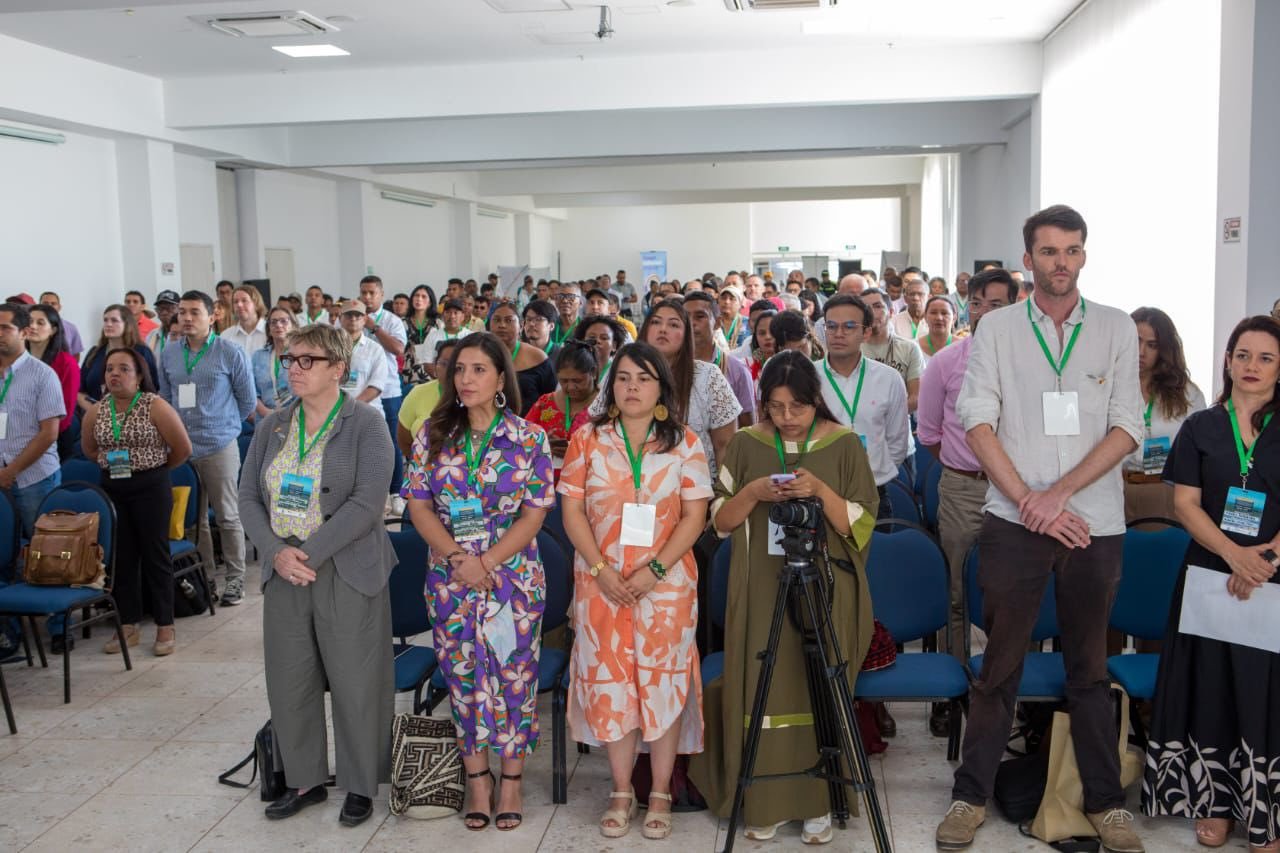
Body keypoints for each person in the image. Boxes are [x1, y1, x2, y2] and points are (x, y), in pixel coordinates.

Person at [939, 205, 1146, 853]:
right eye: (1049, 251)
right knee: (999, 666)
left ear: (1084, 256)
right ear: (1028, 259)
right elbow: (977, 420)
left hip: (1094, 523)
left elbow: (1128, 425)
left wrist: (1057, 494)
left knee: (1089, 668)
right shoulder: (997, 328)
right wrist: (1028, 497)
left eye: (1073, 250)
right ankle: (970, 796)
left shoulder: (1114, 328)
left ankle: (1107, 805)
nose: (1062, 262)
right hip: (1013, 521)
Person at [692, 350, 877, 845]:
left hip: (826, 587)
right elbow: (720, 522)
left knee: (818, 683)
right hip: (759, 586)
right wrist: (752, 494)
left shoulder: (843, 445)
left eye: (797, 407)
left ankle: (820, 801)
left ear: (816, 401)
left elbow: (861, 523)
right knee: (763, 686)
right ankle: (764, 802)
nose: (787, 419)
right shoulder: (747, 445)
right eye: (775, 407)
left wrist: (819, 490)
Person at [239, 322, 395, 828]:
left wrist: (307, 553)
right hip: (284, 570)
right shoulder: (273, 426)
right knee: (290, 678)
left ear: (338, 369)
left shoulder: (366, 423)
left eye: (308, 360)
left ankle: (358, 783)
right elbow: (246, 497)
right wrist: (275, 552)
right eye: (290, 360)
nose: (295, 369)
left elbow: (369, 501)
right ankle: (303, 779)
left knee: (355, 678)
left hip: (346, 567)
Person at [401, 332, 554, 832]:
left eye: (478, 370)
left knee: (514, 678)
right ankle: (478, 779)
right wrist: (456, 557)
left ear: (500, 378)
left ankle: (512, 780)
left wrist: (486, 560)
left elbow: (534, 514)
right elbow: (419, 505)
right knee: (463, 679)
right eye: (459, 370)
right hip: (451, 578)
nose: (465, 379)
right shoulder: (432, 433)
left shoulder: (528, 438)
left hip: (512, 579)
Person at [559, 342, 712, 840]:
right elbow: (572, 512)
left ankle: (662, 790)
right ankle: (622, 789)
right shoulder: (589, 438)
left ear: (661, 388)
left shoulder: (685, 442)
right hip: (601, 583)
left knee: (662, 685)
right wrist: (601, 568)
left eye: (643, 379)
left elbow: (695, 516)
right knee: (614, 685)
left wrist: (657, 570)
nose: (631, 387)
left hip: (665, 588)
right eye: (622, 377)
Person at [1142, 315, 1280, 852]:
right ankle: (1216, 804)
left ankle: (1265, 808)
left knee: (1264, 688)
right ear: (1227, 360)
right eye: (1242, 355)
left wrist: (1262, 559)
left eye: (1266, 357)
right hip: (1209, 572)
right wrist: (1233, 556)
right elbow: (1185, 504)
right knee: (1212, 686)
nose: (1252, 367)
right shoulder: (1201, 425)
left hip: (1272, 573)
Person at [915, 269, 1015, 736]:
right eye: (978, 302)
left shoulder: (1030, 364)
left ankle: (1006, 687)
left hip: (1019, 491)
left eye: (998, 303)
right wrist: (965, 466)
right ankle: (952, 692)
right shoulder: (945, 363)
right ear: (967, 306)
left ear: (1016, 308)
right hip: (962, 487)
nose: (987, 311)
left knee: (1015, 593)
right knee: (956, 592)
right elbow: (930, 434)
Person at [82, 348, 191, 656]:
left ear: (140, 375)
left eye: (124, 369)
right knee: (122, 558)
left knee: (155, 556)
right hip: (113, 488)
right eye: (109, 369)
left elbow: (182, 448)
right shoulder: (97, 409)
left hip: (150, 486)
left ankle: (165, 625)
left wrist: (154, 468)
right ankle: (127, 626)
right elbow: (90, 449)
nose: (114, 374)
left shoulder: (154, 405)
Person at [157, 290, 256, 607]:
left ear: (212, 316)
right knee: (192, 521)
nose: (186, 318)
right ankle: (205, 579)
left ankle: (235, 579)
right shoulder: (170, 353)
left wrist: (224, 426)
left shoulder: (229, 351)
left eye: (194, 312)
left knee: (227, 515)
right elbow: (166, 397)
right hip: (182, 448)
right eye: (182, 312)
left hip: (218, 444)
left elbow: (247, 401)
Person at [816, 294, 911, 521]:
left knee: (875, 556)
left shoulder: (889, 378)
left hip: (873, 493)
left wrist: (873, 473)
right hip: (820, 493)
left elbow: (897, 441)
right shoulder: (808, 376)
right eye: (831, 326)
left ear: (866, 333)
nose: (839, 334)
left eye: (849, 326)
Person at [634, 300, 741, 478]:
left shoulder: (708, 376)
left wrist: (724, 498)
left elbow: (725, 446)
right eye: (655, 322)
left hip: (697, 488)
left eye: (673, 324)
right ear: (645, 330)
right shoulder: (623, 372)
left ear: (686, 335)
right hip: (634, 487)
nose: (663, 329)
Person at [1123, 307, 1206, 522]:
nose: (1141, 352)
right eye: (1136, 341)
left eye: (1152, 345)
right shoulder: (1107, 386)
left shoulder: (1188, 393)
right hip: (1117, 489)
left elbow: (1200, 451)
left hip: (1168, 490)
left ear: (1164, 350)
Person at [0, 302, 66, 537]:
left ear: (24, 333)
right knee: (7, 552)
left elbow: (49, 433)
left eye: (5, 328)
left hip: (35, 478)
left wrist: (12, 471)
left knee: (44, 553)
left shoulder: (43, 375)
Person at [356, 276, 408, 505]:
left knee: (391, 441)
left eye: (371, 293)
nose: (366, 298)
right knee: (364, 444)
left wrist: (373, 327)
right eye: (363, 293)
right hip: (358, 393)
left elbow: (398, 349)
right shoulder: (351, 318)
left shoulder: (392, 320)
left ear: (381, 295)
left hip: (387, 390)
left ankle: (396, 491)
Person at [525, 341, 599, 474]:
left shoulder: (605, 407)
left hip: (587, 484)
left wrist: (579, 454)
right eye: (564, 381)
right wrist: (543, 446)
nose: (570, 387)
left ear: (593, 373)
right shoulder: (545, 403)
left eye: (577, 381)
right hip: (544, 482)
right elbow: (522, 440)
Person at [685, 292, 753, 427]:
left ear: (717, 323)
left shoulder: (736, 370)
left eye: (700, 316)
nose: (691, 322)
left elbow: (747, 427)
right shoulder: (670, 366)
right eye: (685, 317)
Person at [78, 305, 159, 413]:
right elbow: (80, 392)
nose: (108, 324)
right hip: (97, 417)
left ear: (127, 325)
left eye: (114, 320)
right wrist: (98, 412)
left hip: (133, 416)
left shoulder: (141, 352)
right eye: (105, 320)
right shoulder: (95, 352)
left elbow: (152, 389)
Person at [26, 304, 80, 461]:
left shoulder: (66, 362)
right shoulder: (18, 361)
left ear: (53, 330)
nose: (33, 327)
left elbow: (66, 412)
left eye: (40, 323)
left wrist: (43, 437)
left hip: (54, 438)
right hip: (19, 437)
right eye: (29, 322)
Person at [859, 288, 924, 413]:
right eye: (865, 308)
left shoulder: (909, 348)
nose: (871, 312)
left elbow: (916, 397)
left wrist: (889, 417)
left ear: (891, 311)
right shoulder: (851, 348)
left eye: (877, 306)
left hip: (898, 424)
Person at [487, 301, 555, 418]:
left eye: (509, 320)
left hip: (529, 428)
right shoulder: (481, 355)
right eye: (497, 320)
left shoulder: (538, 357)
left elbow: (550, 400)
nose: (502, 325)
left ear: (522, 326)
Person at [397, 339, 459, 461]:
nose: (450, 370)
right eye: (444, 364)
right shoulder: (418, 393)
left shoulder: (475, 398)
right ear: (435, 365)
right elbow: (404, 439)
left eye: (457, 366)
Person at [336, 301, 391, 403]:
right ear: (340, 318)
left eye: (358, 315)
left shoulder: (375, 349)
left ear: (365, 319)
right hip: (333, 409)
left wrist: (353, 406)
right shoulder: (329, 347)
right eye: (348, 315)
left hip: (367, 410)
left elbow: (376, 385)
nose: (353, 319)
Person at [252, 306, 301, 417]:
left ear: (293, 325)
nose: (278, 325)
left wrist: (287, 414)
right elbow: (252, 392)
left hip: (295, 417)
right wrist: (265, 412)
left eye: (284, 321)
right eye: (273, 322)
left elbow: (308, 390)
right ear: (268, 329)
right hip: (265, 418)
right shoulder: (258, 356)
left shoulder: (301, 356)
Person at [418, 298, 472, 380]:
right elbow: (427, 364)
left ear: (463, 316)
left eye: (456, 313)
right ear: (443, 316)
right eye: (448, 312)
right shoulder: (432, 336)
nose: (452, 316)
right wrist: (443, 379)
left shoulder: (471, 336)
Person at [400, 284, 440, 387]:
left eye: (423, 296)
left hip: (430, 370)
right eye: (416, 296)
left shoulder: (438, 324)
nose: (419, 299)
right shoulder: (401, 322)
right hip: (408, 370)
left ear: (430, 302)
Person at [574, 314, 626, 386]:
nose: (597, 341)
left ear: (614, 346)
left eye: (604, 338)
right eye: (592, 337)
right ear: (582, 341)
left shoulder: (620, 372)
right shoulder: (573, 368)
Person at [222, 285, 268, 357]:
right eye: (235, 302)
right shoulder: (226, 336)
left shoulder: (270, 332)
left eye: (244, 300)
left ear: (256, 304)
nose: (239, 305)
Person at [38, 292, 83, 357]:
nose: (49, 306)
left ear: (59, 307)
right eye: (45, 303)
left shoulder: (71, 328)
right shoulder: (31, 327)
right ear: (39, 306)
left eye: (53, 303)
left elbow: (75, 355)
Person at [917, 295, 957, 364]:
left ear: (954, 318)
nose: (939, 318)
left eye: (944, 313)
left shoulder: (965, 347)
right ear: (925, 317)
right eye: (933, 313)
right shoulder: (914, 347)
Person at [145, 290, 182, 357]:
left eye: (169, 308)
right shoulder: (152, 335)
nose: (164, 312)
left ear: (180, 309)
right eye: (160, 309)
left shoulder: (186, 334)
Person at [892, 277, 929, 341]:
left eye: (920, 294)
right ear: (905, 298)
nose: (915, 298)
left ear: (928, 297)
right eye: (912, 294)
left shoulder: (934, 321)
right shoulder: (894, 322)